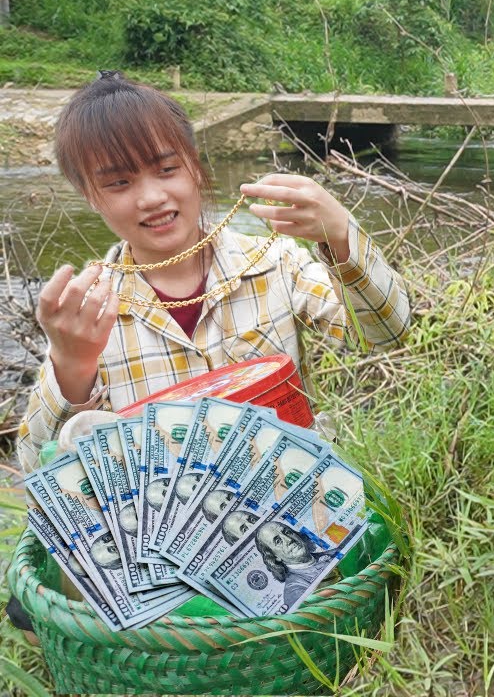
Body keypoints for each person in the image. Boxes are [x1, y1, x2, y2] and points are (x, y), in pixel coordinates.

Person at [9, 70, 412, 639]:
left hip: (285, 521)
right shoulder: (89, 310)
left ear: (197, 168)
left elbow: (390, 334)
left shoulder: (275, 261)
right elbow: (33, 471)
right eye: (119, 182)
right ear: (88, 195)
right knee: (29, 610)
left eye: (167, 169)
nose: (152, 197)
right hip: (160, 560)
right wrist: (70, 365)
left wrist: (341, 234)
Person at [254, 522, 336, 607]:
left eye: (287, 532)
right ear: (275, 557)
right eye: (278, 541)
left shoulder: (336, 552)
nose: (289, 540)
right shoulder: (295, 590)